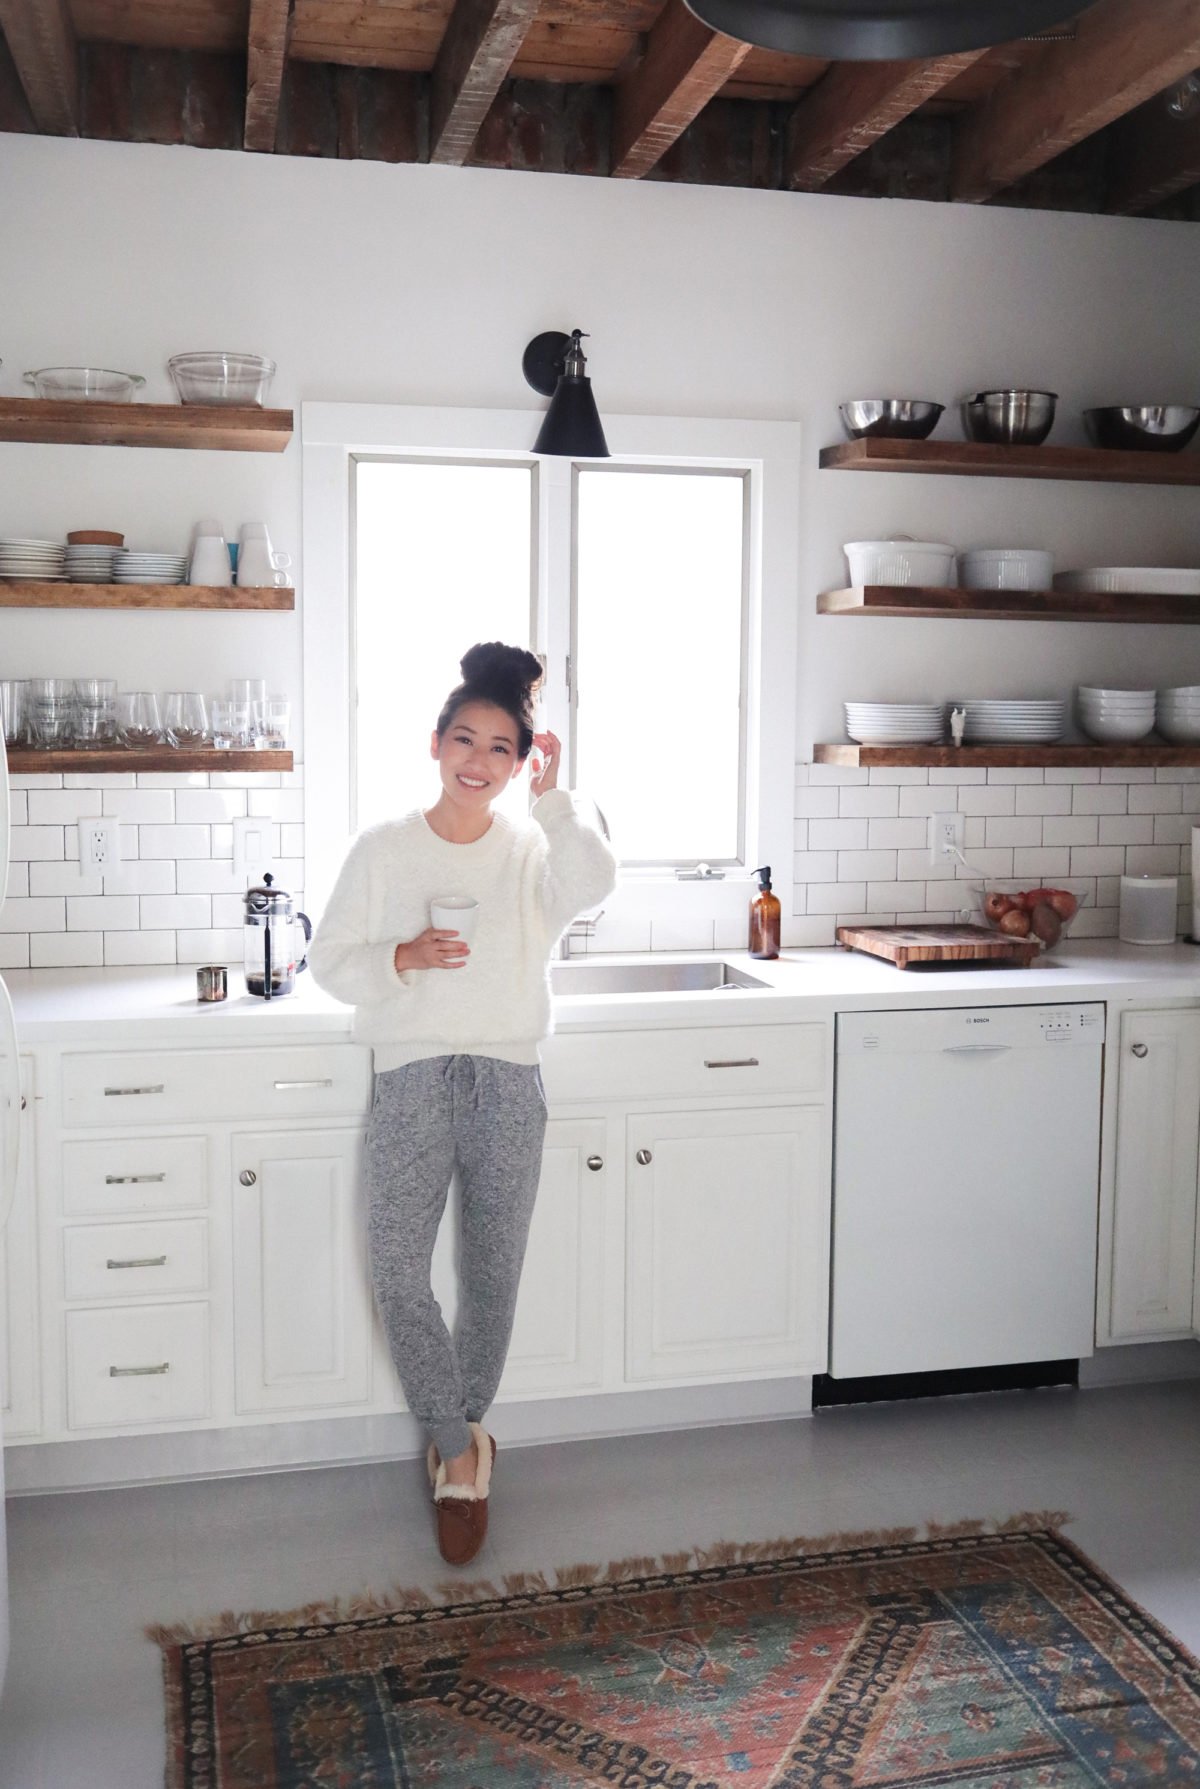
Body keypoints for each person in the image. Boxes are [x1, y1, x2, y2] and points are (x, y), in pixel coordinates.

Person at [308, 642, 616, 1565]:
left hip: (505, 1078)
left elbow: (596, 883)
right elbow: (328, 961)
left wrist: (558, 798)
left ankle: (461, 1454)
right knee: (398, 1267)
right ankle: (456, 1442)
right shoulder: (384, 848)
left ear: (520, 763)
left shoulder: (533, 849)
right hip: (410, 1074)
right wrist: (400, 959)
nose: (477, 762)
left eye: (500, 750)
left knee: (492, 1273)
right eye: (463, 740)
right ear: (434, 743)